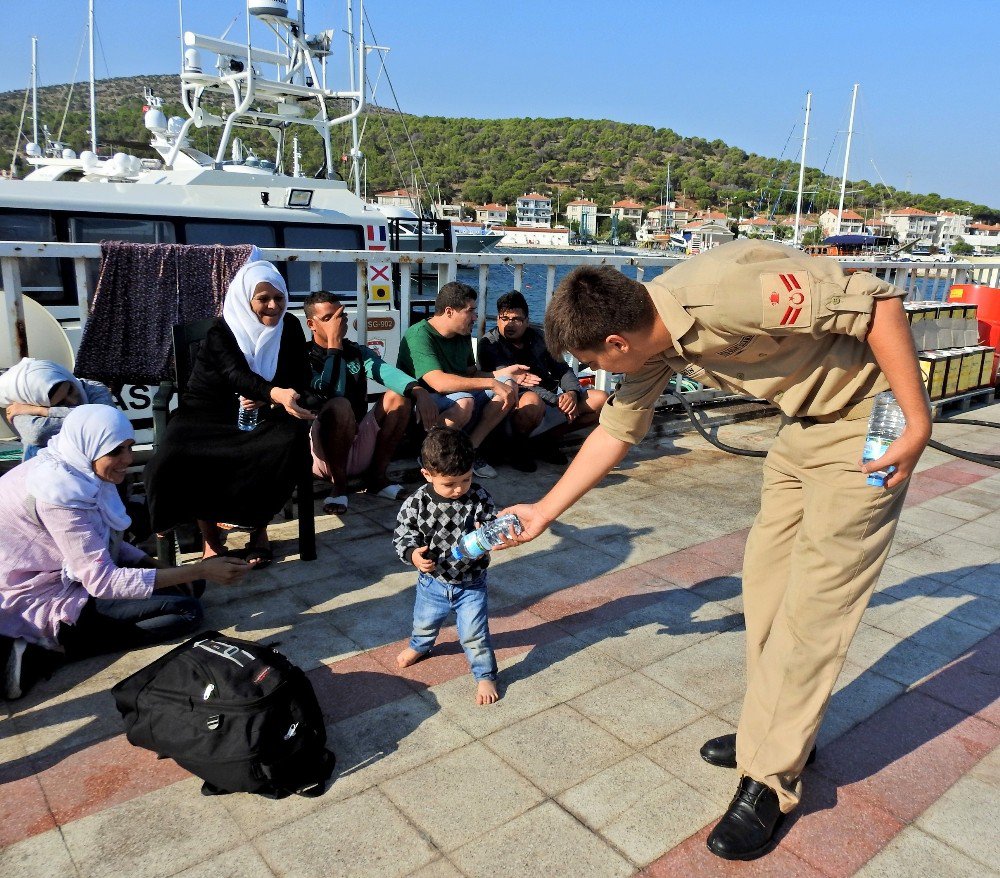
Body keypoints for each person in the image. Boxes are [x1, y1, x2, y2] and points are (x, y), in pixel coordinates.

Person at [499, 240, 932, 860]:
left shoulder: (723, 295)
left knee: (813, 615)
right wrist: (543, 512)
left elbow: (878, 304)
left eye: (599, 363)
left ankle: (769, 779)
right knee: (764, 591)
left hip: (867, 427)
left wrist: (918, 424)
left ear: (618, 343)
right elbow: (616, 430)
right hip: (799, 429)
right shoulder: (654, 340)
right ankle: (774, 732)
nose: (604, 376)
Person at [0, 405, 249, 700]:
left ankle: (70, 637)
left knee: (190, 587)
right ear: (90, 447)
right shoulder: (59, 494)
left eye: (129, 447)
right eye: (116, 452)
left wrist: (150, 562)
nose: (128, 460)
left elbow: (97, 541)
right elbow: (102, 581)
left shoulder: (75, 469)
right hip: (38, 593)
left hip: (69, 574)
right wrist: (200, 568)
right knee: (186, 611)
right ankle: (46, 650)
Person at [143, 259, 315, 569]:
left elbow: (299, 375)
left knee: (283, 443)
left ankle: (258, 531)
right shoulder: (221, 331)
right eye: (263, 299)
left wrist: (269, 400)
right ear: (246, 299)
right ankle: (210, 540)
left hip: (261, 412)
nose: (273, 306)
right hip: (207, 412)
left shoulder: (289, 327)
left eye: (279, 297)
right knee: (177, 452)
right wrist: (273, 392)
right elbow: (234, 373)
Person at [303, 291, 440, 514]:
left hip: (356, 442)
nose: (338, 323)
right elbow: (327, 390)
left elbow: (385, 372)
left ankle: (377, 478)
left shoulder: (357, 352)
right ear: (311, 324)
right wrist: (334, 346)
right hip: (322, 454)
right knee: (340, 405)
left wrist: (419, 391)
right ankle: (339, 487)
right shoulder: (304, 356)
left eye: (341, 316)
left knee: (399, 395)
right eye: (329, 318)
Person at [393, 427, 503, 705]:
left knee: (474, 634)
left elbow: (493, 523)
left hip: (472, 582)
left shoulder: (479, 497)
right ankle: (420, 646)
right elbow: (402, 534)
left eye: (465, 479)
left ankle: (485, 674)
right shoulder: (417, 503)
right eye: (449, 483)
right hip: (433, 582)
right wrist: (412, 555)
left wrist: (490, 532)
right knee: (424, 622)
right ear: (427, 475)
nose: (458, 489)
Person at [397, 281, 535, 478]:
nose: (475, 317)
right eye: (470, 311)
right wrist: (490, 382)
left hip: (455, 396)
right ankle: (430, 456)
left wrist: (503, 375)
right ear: (449, 311)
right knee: (465, 401)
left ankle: (469, 451)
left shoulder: (461, 334)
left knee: (508, 386)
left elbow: (471, 374)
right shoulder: (419, 335)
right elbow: (439, 382)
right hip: (424, 403)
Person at [476, 290, 609, 469]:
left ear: (527, 321)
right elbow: (517, 383)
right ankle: (516, 449)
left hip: (549, 400)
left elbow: (562, 368)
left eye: (516, 319)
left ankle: (544, 441)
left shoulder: (540, 337)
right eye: (504, 318)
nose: (509, 324)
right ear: (498, 319)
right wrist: (558, 402)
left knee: (601, 400)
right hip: (515, 405)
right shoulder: (490, 344)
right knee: (533, 402)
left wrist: (572, 393)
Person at [0, 357, 116, 460]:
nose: (73, 401)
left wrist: (42, 411)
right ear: (36, 401)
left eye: (70, 390)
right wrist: (90, 422)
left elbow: (107, 420)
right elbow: (37, 433)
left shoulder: (94, 388)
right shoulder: (20, 405)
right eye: (61, 403)